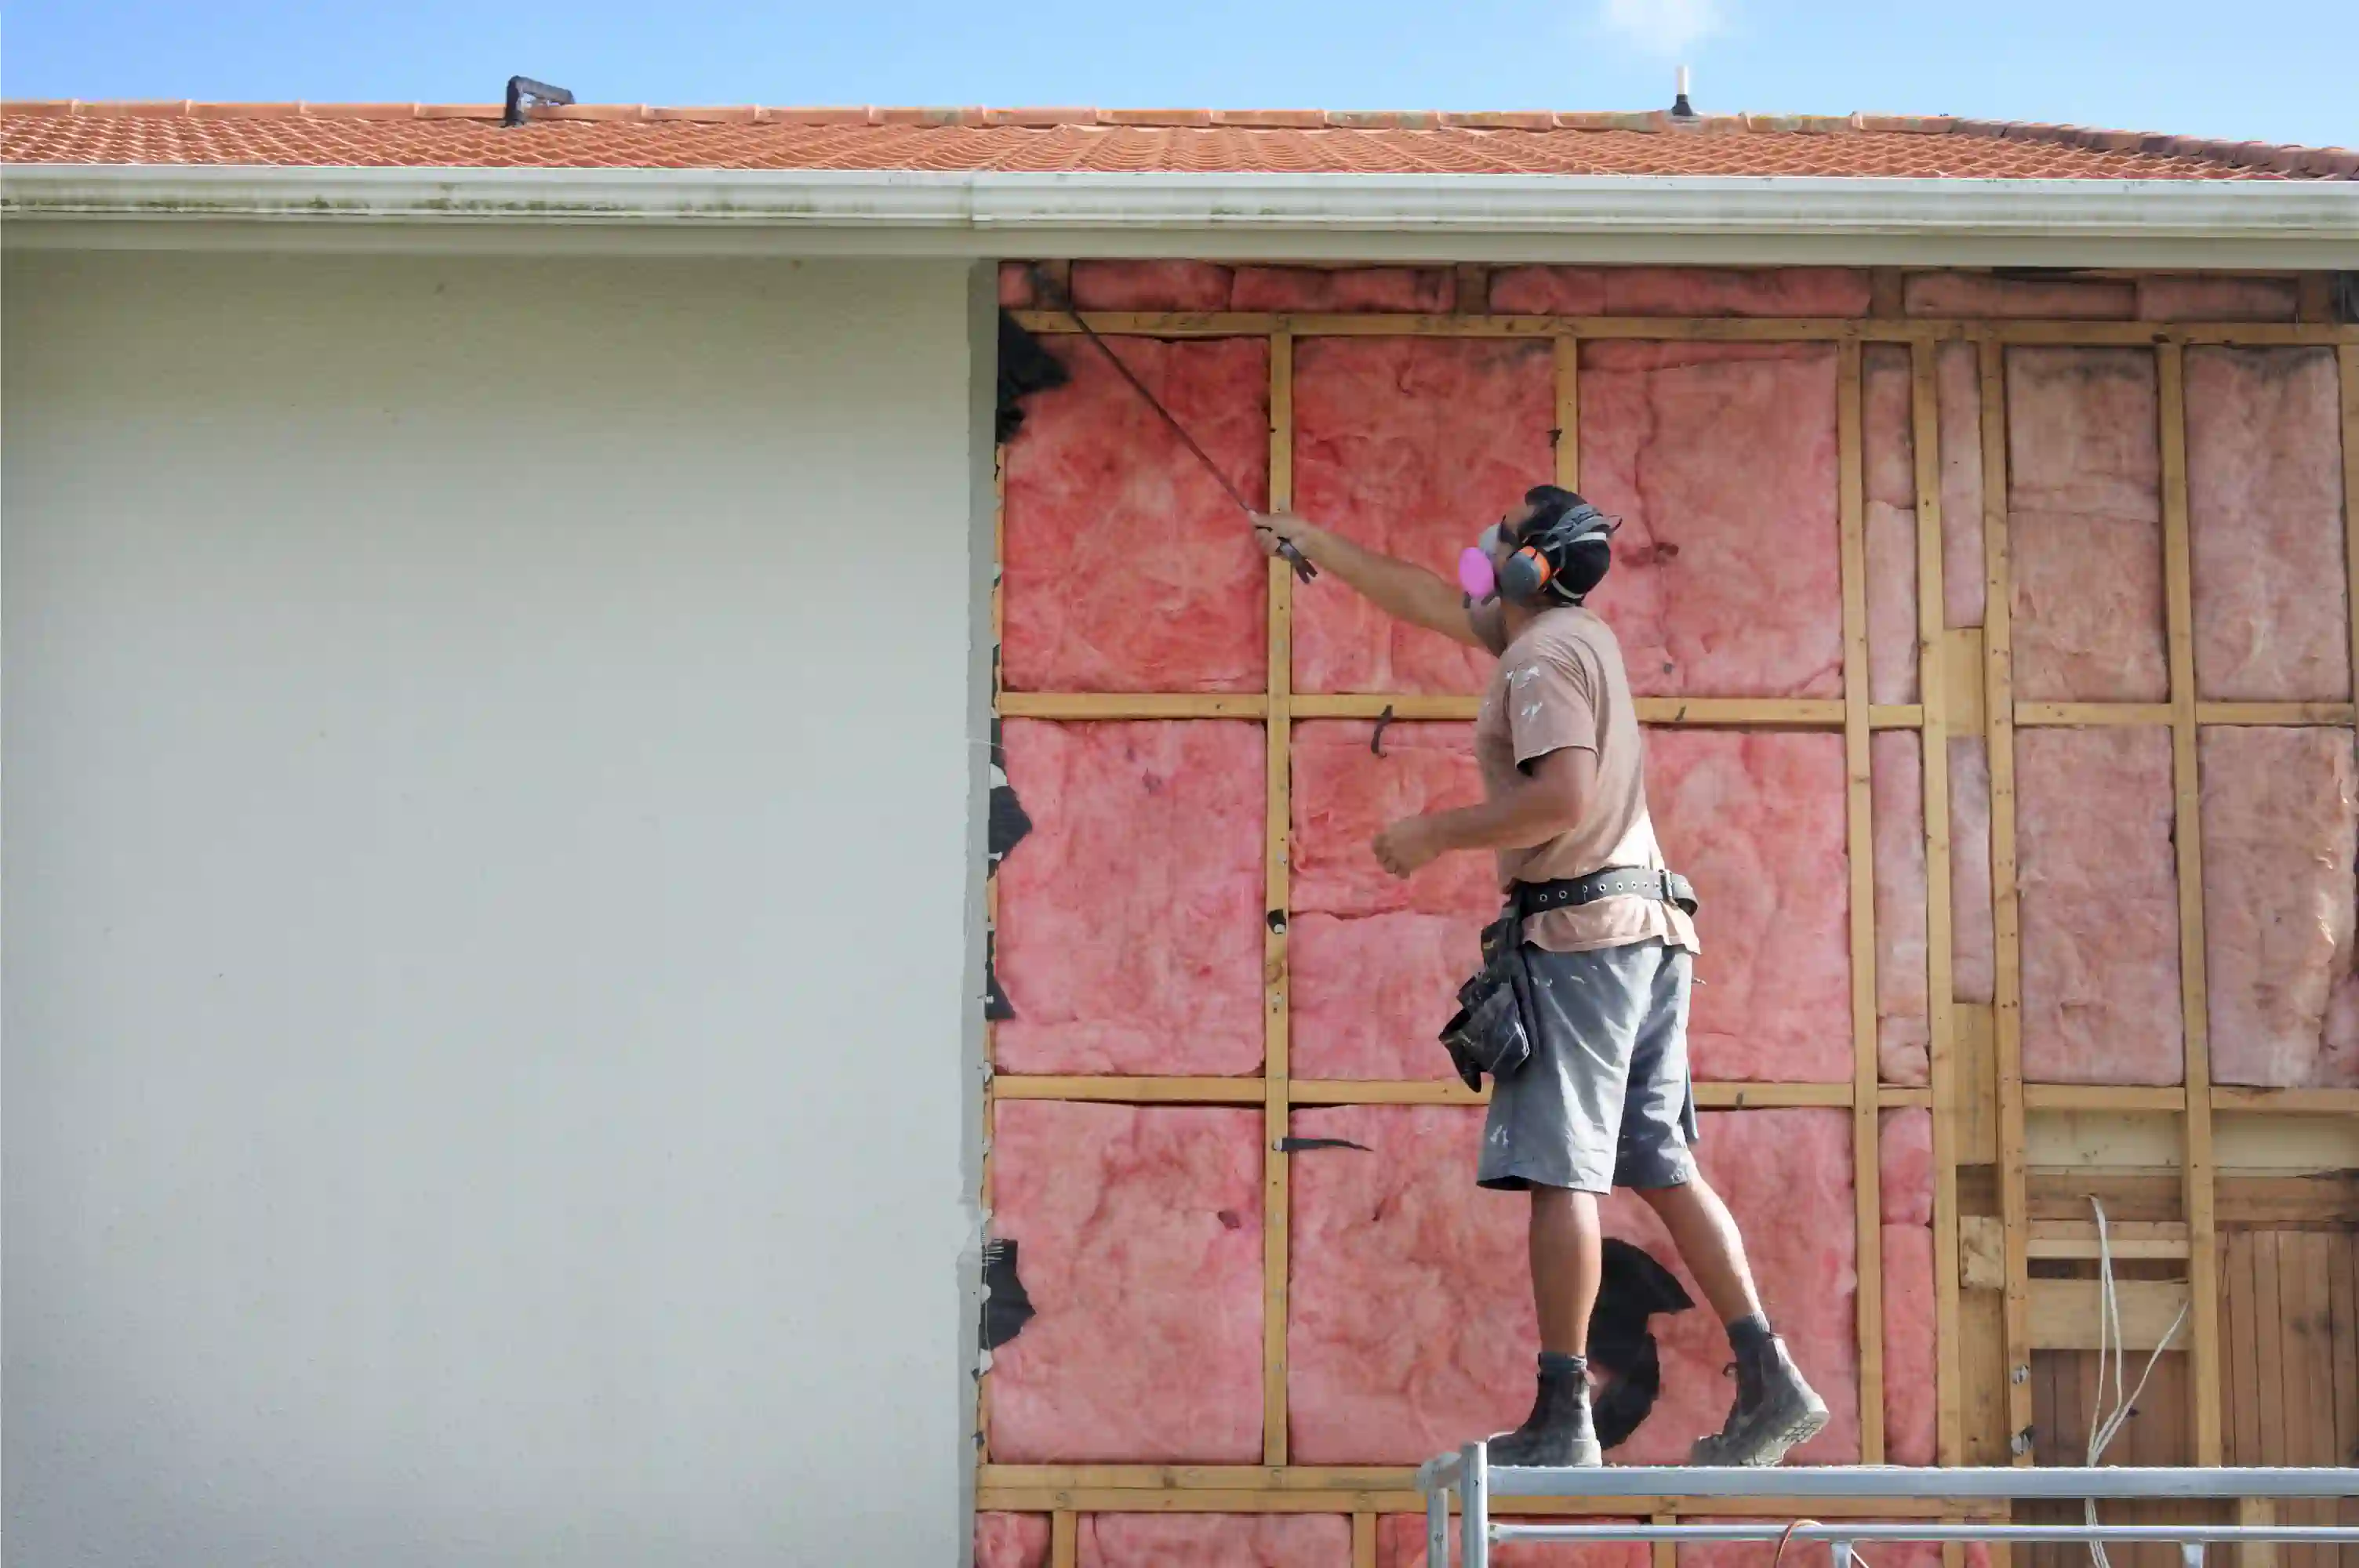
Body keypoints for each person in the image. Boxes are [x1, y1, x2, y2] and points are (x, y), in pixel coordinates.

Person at [1253, 490, 1827, 1469]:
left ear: (1527, 566)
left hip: (1579, 941)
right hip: (1641, 933)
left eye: (1505, 533)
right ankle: (1769, 1378)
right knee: (1658, 1159)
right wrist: (1318, 546)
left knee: (1561, 1167)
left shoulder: (1538, 659)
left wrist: (1429, 832)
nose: (1484, 542)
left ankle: (1564, 1417)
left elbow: (1555, 797)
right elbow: (1431, 598)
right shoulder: (1569, 636)